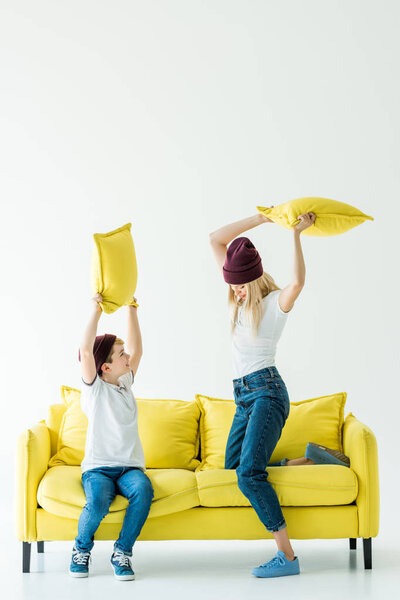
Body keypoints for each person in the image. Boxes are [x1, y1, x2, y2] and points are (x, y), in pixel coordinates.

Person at [209, 209, 350, 578]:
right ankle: (313, 461)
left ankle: (287, 557)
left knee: (248, 475)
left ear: (253, 281)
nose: (235, 291)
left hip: (267, 394)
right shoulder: (237, 300)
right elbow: (215, 239)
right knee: (233, 468)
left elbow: (298, 282)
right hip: (244, 396)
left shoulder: (273, 306)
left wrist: (295, 235)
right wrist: (261, 219)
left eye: (240, 285)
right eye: (232, 285)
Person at [69, 293, 154, 580]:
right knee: (98, 504)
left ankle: (122, 552)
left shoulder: (125, 385)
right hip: (98, 469)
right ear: (104, 367)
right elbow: (85, 348)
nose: (127, 357)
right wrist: (95, 311)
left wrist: (132, 308)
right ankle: (81, 549)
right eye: (121, 355)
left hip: (129, 468)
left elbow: (138, 349)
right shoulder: (95, 389)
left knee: (143, 491)